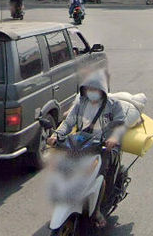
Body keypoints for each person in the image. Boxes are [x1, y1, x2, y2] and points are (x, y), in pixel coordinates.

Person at [48, 72, 127, 228]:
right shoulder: (80, 103)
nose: (91, 91)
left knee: (99, 176)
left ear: (102, 90)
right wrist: (56, 135)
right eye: (88, 88)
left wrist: (114, 138)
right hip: (83, 142)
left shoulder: (114, 105)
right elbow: (68, 122)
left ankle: (97, 211)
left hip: (105, 146)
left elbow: (120, 125)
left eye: (95, 89)